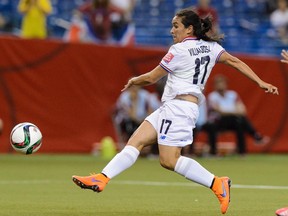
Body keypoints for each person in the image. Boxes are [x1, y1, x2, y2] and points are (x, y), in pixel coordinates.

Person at [72, 8, 278, 214]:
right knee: (136, 141)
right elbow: (235, 61)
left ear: (189, 29)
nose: (172, 30)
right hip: (173, 107)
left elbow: (152, 78)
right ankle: (101, 178)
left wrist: (134, 80)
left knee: (169, 160)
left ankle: (217, 183)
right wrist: (260, 82)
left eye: (176, 26)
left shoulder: (178, 50)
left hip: (179, 109)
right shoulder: (211, 47)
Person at [206, 75, 270, 155]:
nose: (220, 85)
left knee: (240, 123)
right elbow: (219, 111)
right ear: (215, 85)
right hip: (218, 121)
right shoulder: (212, 96)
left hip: (232, 121)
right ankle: (256, 136)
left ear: (226, 84)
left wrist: (229, 111)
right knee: (238, 119)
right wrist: (234, 111)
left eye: (222, 83)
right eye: (218, 83)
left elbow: (242, 110)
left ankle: (242, 152)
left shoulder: (233, 94)